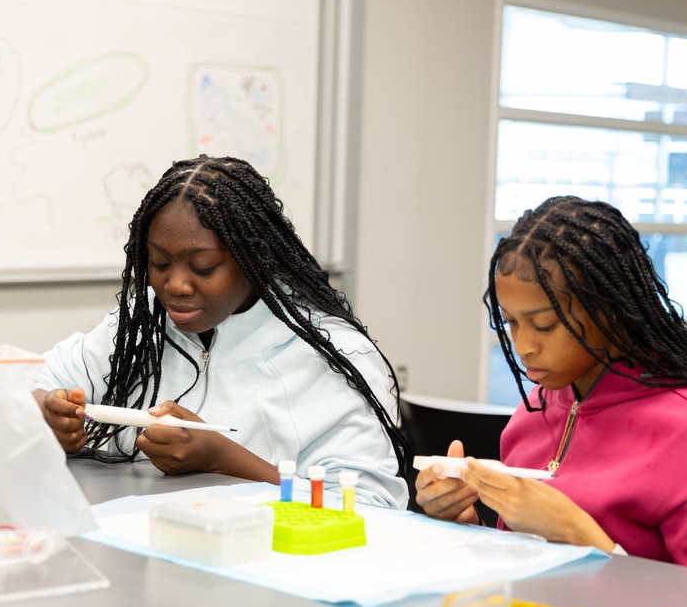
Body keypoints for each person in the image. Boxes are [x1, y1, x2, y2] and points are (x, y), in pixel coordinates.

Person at [416, 195, 687, 579]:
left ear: (610, 311)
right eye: (511, 323)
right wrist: (464, 524)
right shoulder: (534, 412)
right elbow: (525, 573)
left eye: (545, 324)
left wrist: (579, 536)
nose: (524, 346)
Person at [34, 156, 408, 508]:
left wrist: (223, 459)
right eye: (159, 262)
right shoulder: (141, 324)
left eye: (204, 266)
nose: (175, 285)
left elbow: (369, 507)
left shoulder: (332, 353)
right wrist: (47, 412)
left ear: (255, 260)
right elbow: (36, 387)